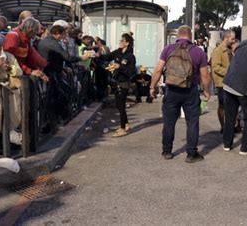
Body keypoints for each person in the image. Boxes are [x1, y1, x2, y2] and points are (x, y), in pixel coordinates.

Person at [150, 25, 211, 163]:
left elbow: (158, 70)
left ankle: (167, 151)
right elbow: (205, 75)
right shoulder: (198, 52)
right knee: (192, 123)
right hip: (190, 91)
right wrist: (206, 91)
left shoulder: (168, 49)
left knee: (169, 122)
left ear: (178, 35)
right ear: (190, 35)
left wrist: (152, 87)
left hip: (171, 90)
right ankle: (191, 154)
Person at [38, 25, 90, 121]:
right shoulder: (53, 44)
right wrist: (81, 58)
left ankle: (53, 119)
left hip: (51, 71)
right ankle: (57, 118)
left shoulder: (45, 41)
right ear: (57, 33)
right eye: (63, 34)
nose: (64, 37)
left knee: (56, 96)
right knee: (61, 95)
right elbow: (67, 57)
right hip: (51, 73)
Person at [100, 33, 136, 137]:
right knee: (119, 105)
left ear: (127, 43)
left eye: (122, 41)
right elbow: (107, 56)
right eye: (120, 41)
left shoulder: (130, 57)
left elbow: (130, 72)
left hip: (123, 83)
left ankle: (122, 129)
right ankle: (126, 124)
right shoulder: (117, 52)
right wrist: (97, 55)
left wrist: (119, 67)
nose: (120, 42)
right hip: (116, 82)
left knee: (121, 106)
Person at [3, 17, 48, 82]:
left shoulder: (26, 38)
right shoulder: (13, 36)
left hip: (20, 72)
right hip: (12, 75)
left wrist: (42, 68)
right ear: (30, 30)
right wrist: (30, 71)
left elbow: (33, 55)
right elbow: (11, 60)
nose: (34, 36)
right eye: (35, 33)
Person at [210, 30, 236, 133]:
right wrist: (229, 72)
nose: (233, 41)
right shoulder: (218, 51)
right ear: (226, 38)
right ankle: (223, 126)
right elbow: (216, 67)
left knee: (230, 106)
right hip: (222, 83)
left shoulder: (230, 50)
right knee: (223, 105)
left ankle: (230, 125)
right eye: (232, 39)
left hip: (231, 82)